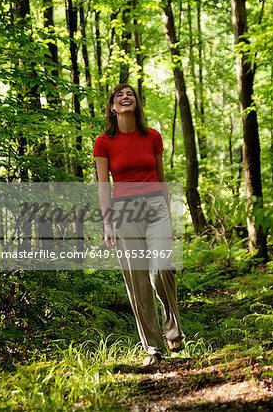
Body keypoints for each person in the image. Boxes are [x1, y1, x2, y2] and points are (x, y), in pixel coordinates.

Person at [93, 83, 183, 365]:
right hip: (123, 212)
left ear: (137, 103)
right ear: (112, 107)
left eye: (130, 93)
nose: (125, 96)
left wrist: (168, 212)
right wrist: (107, 223)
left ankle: (173, 328)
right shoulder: (103, 142)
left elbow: (161, 176)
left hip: (155, 207)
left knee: (162, 267)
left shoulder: (152, 136)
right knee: (138, 281)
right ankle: (153, 349)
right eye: (119, 95)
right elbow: (103, 186)